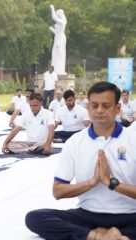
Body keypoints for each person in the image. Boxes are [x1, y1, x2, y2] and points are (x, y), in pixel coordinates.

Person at [25, 81, 136, 240]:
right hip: (88, 215)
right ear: (88, 108)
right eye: (94, 105)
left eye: (106, 105)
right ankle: (99, 236)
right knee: (35, 218)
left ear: (117, 109)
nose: (99, 110)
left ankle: (115, 234)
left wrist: (111, 183)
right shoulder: (75, 142)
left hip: (130, 214)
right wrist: (91, 182)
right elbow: (58, 191)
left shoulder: (133, 139)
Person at [49, 4, 67, 75]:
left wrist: (52, 8)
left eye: (57, 14)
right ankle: (55, 69)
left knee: (59, 54)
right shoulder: (60, 22)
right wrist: (52, 30)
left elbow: (54, 18)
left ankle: (59, 69)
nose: (56, 15)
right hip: (58, 37)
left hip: (60, 38)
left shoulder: (62, 22)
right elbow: (57, 32)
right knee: (55, 54)